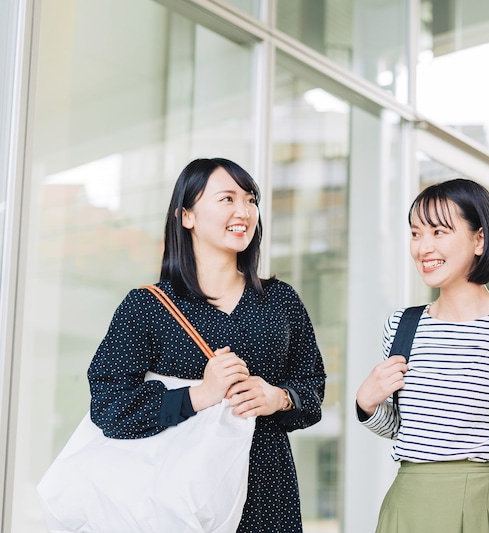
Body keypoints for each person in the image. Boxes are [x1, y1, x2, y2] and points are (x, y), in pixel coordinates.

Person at [87, 158, 326, 533]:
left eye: (250, 200)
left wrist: (279, 398)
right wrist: (201, 395)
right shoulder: (147, 306)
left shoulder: (280, 301)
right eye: (227, 199)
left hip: (268, 489)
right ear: (187, 216)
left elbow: (313, 390)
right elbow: (108, 405)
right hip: (182, 498)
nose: (243, 211)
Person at [356, 178, 489, 533]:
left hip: (487, 501)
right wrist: (367, 403)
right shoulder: (401, 326)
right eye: (416, 233)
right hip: (408, 500)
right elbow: (403, 429)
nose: (424, 247)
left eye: (439, 232)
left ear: (479, 239)